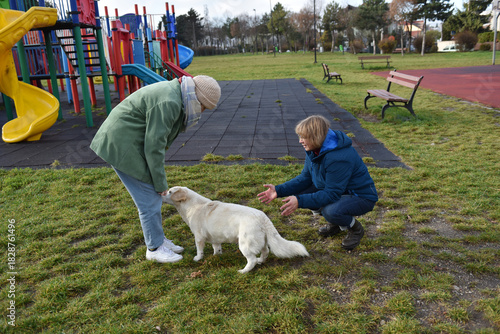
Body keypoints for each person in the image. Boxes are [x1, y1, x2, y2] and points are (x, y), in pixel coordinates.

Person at [90, 75, 221, 263]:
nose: (201, 111)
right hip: (121, 145)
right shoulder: (169, 102)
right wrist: (160, 183)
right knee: (148, 199)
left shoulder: (177, 95)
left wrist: (158, 182)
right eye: (203, 107)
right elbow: (154, 146)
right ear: (196, 97)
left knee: (152, 196)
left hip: (130, 141)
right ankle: (154, 248)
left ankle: (158, 240)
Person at [257, 115, 378, 250]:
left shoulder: (338, 157)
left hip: (361, 196)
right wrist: (279, 190)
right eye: (300, 137)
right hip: (339, 189)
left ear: (316, 136)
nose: (300, 141)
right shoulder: (316, 149)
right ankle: (335, 224)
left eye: (303, 137)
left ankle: (355, 229)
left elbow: (331, 194)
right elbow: (305, 177)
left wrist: (300, 201)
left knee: (330, 211)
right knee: (303, 192)